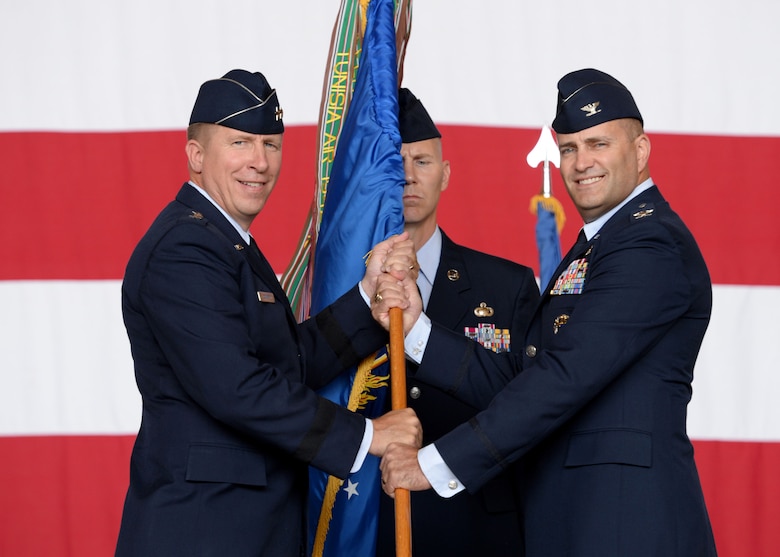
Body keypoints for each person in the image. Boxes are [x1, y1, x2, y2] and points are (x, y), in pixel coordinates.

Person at [375, 68, 717, 556]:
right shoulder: (598, 246)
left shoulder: (650, 243)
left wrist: (434, 465)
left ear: (640, 151)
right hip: (579, 521)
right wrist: (417, 330)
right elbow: (529, 374)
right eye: (570, 148)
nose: (582, 163)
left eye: (598, 144)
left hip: (626, 526)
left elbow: (564, 377)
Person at [115, 69, 421, 557]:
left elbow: (286, 363)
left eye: (271, 144)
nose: (259, 162)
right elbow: (237, 387)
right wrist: (368, 434)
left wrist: (368, 300)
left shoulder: (227, 242)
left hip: (246, 527)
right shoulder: (185, 248)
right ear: (196, 155)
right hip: (204, 532)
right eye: (240, 143)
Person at [375, 88, 538, 556]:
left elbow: (525, 402)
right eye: (395, 161)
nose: (407, 176)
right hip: (372, 526)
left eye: (422, 162)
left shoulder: (506, 286)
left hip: (476, 531)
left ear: (445, 175)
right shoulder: (341, 290)